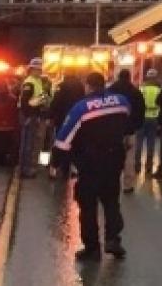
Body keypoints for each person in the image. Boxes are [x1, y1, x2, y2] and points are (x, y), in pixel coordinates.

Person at [54, 72, 130, 261]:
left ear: (88, 86)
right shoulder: (121, 101)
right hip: (114, 160)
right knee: (111, 200)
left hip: (91, 162)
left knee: (87, 205)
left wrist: (57, 162)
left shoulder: (81, 108)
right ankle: (113, 239)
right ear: (103, 85)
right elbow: (129, 121)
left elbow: (64, 139)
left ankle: (92, 248)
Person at [108, 69, 145, 193]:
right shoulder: (135, 92)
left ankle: (111, 182)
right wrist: (136, 126)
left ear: (118, 77)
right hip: (129, 131)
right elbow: (141, 111)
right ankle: (127, 185)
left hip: (113, 131)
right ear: (129, 77)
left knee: (111, 156)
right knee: (129, 158)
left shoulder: (110, 90)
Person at [49, 70, 85, 180]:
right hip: (77, 119)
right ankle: (73, 168)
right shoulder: (80, 86)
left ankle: (55, 167)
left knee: (60, 143)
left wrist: (50, 115)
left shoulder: (62, 86)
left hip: (62, 119)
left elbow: (56, 102)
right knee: (75, 143)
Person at [135, 69, 161, 175]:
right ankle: (149, 167)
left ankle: (137, 166)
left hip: (142, 119)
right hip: (154, 119)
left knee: (139, 143)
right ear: (155, 78)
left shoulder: (142, 89)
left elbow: (137, 104)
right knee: (151, 143)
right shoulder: (159, 90)